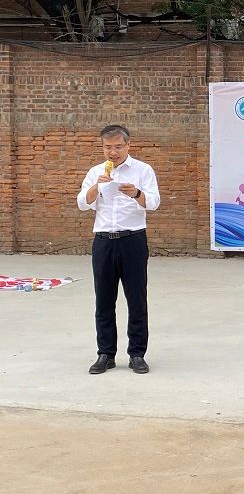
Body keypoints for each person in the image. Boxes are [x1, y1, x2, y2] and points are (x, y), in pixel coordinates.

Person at [77, 125, 160, 375]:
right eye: (108, 147)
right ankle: (105, 354)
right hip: (103, 241)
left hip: (132, 240)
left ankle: (137, 354)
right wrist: (97, 187)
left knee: (136, 299)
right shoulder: (96, 172)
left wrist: (136, 193)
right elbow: (82, 203)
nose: (113, 152)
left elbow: (154, 203)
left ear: (128, 145)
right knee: (103, 300)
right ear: (102, 147)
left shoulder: (142, 170)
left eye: (117, 147)